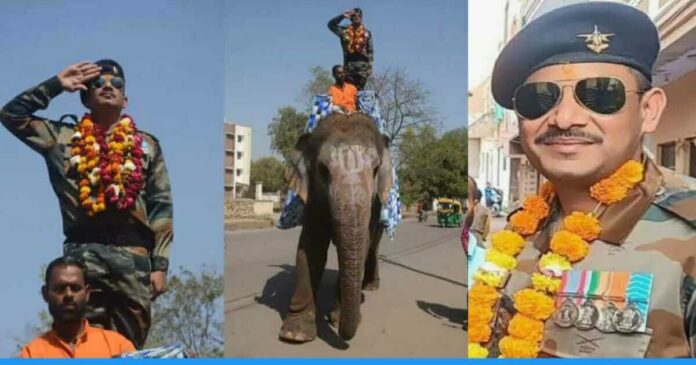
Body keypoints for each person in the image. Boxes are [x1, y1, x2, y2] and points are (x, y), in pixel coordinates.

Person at [472, 2, 696, 358]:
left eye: (600, 94)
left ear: (649, 111)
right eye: (539, 99)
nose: (563, 117)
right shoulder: (518, 231)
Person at [0, 60, 174, 349]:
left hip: (134, 258)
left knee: (127, 348)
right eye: (99, 83)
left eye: (117, 84)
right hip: (82, 258)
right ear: (84, 96)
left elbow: (161, 205)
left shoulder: (147, 145)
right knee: (80, 343)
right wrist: (56, 85)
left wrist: (161, 265)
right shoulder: (62, 138)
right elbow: (10, 115)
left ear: (125, 99)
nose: (108, 87)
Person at [20, 257, 135, 358]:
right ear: (45, 294)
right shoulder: (32, 354)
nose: (68, 295)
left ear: (87, 293)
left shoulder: (117, 347)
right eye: (60, 288)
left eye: (75, 288)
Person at [328, 8, 374, 90]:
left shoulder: (367, 33)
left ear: (362, 18)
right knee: (348, 92)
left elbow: (370, 51)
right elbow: (331, 25)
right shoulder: (344, 31)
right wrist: (342, 16)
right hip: (348, 68)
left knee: (359, 95)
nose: (356, 17)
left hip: (362, 69)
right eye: (354, 16)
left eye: (359, 16)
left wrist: (369, 68)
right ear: (350, 18)